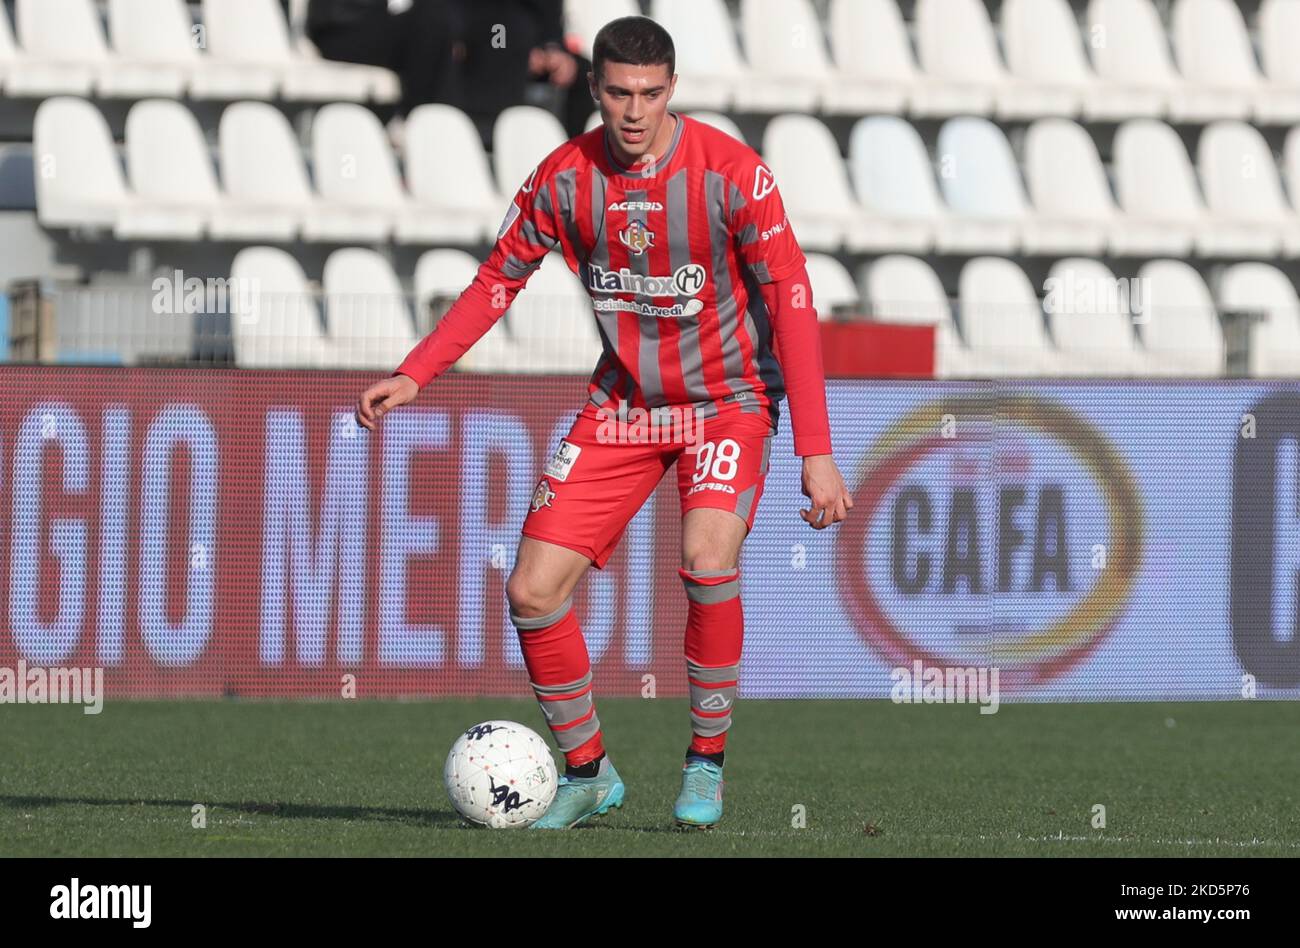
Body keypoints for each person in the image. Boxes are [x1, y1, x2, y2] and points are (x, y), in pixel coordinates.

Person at [355, 16, 853, 830]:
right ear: (593, 89)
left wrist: (817, 451)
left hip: (726, 405)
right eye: (618, 92)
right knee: (530, 590)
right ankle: (589, 774)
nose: (633, 111)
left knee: (704, 560)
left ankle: (705, 763)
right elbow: (494, 281)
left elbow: (793, 304)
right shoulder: (562, 177)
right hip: (623, 407)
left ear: (672, 91)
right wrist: (418, 372)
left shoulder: (734, 175)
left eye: (650, 94)